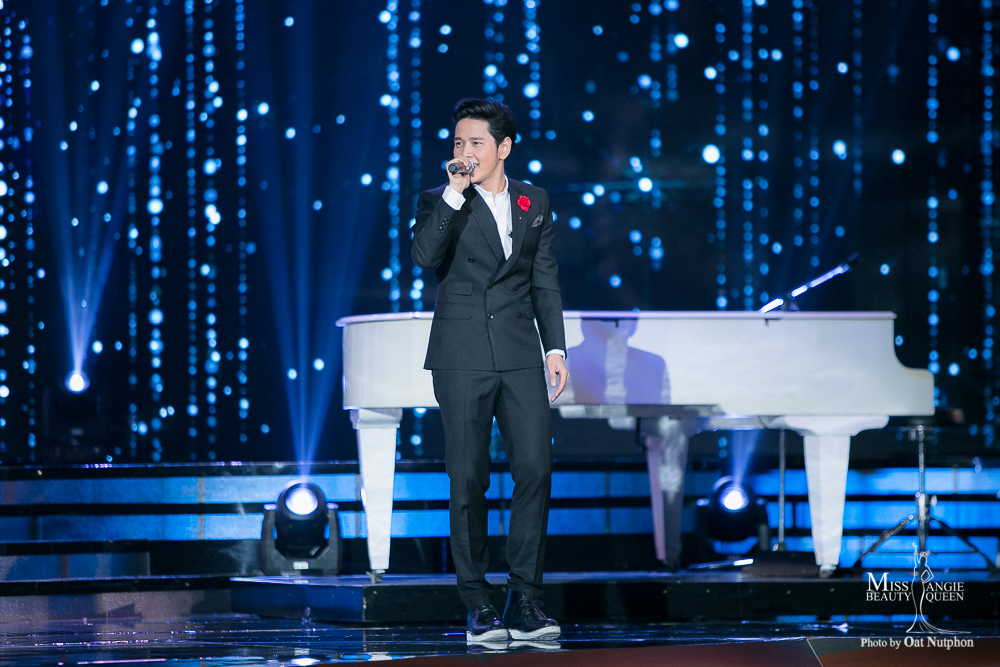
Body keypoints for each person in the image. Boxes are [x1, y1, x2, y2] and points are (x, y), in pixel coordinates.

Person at [411, 98, 568, 644]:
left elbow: (543, 278)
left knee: (536, 470)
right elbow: (424, 256)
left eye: (476, 143)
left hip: (520, 352)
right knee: (468, 477)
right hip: (462, 355)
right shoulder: (439, 199)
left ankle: (524, 599)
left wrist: (555, 349)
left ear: (503, 147)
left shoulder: (534, 200)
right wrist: (453, 193)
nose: (465, 152)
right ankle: (477, 603)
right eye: (459, 142)